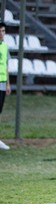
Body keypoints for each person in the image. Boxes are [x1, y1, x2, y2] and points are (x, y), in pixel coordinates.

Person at [0, 22, 10, 150]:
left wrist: (8, 83)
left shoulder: (5, 47)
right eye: (0, 31)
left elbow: (6, 65)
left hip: (1, 83)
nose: (1, 34)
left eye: (3, 31)